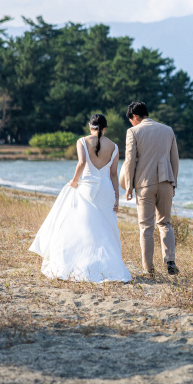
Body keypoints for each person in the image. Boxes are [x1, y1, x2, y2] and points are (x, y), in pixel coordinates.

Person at [29, 114, 132, 283]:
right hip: (106, 190)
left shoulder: (82, 142)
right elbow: (113, 174)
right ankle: (108, 266)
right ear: (105, 128)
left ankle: (80, 263)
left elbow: (82, 163)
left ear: (90, 127)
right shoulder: (114, 147)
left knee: (83, 227)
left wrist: (74, 181)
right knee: (105, 228)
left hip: (87, 188)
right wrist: (117, 198)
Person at [119, 101, 180, 276]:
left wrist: (129, 186)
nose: (131, 123)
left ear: (135, 116)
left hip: (144, 182)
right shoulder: (168, 130)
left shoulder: (133, 132)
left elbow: (130, 161)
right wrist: (173, 182)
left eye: (131, 119)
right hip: (166, 180)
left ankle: (149, 268)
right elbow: (174, 159)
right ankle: (170, 261)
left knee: (146, 226)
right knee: (165, 222)